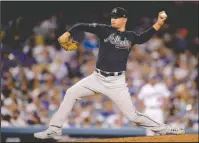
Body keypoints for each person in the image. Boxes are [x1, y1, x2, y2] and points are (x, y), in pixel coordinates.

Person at [34, 7, 185, 140]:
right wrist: (69, 32)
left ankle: (166, 129)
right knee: (71, 93)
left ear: (124, 19)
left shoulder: (131, 36)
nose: (113, 19)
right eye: (112, 17)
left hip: (116, 82)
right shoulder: (104, 29)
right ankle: (54, 128)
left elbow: (144, 37)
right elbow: (81, 25)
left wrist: (159, 23)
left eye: (116, 17)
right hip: (97, 77)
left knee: (133, 116)